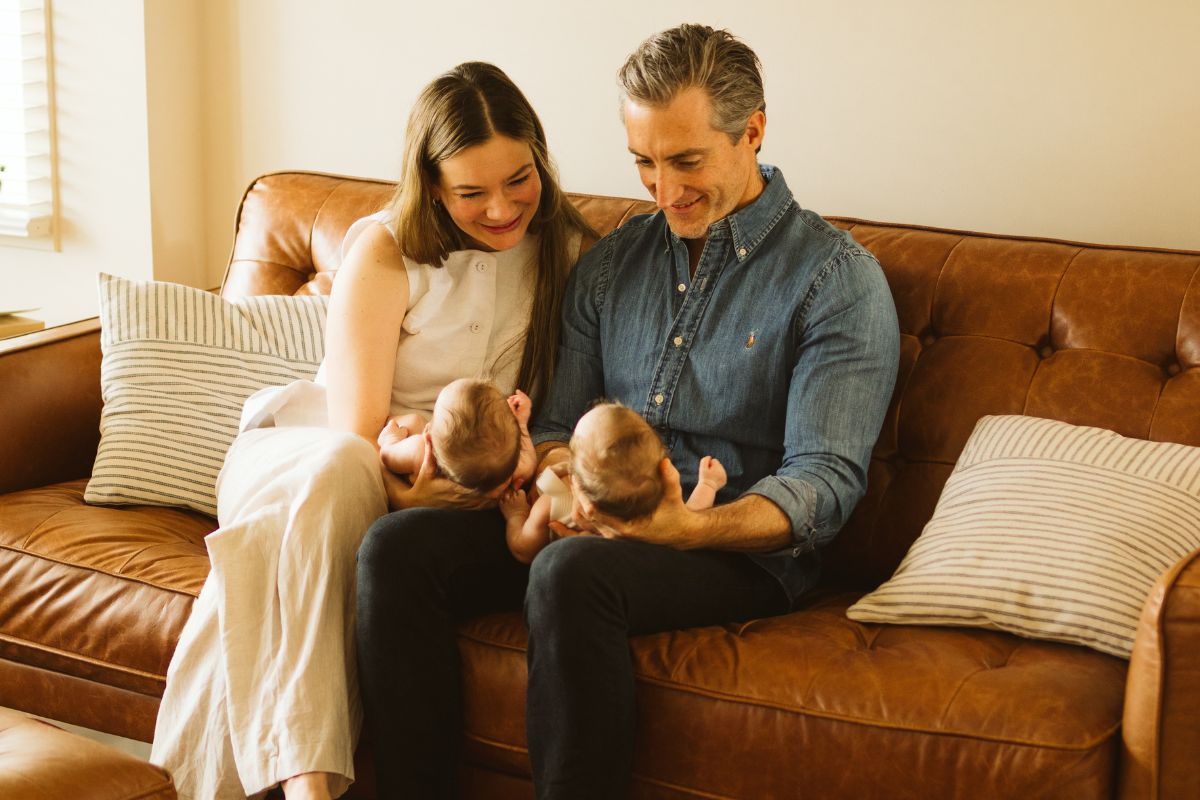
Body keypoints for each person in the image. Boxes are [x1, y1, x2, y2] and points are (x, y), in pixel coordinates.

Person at [356, 23, 900, 799]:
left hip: (731, 549)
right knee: (396, 547)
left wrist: (688, 527)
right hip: (588, 519)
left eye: (686, 161)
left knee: (576, 573)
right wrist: (551, 490)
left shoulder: (836, 281)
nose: (664, 189)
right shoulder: (611, 262)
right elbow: (555, 425)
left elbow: (825, 485)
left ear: (752, 133)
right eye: (644, 163)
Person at [149, 61, 591, 800]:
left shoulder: (563, 252)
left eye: (518, 179)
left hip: (399, 483)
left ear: (538, 159)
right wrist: (428, 502)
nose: (501, 208)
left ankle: (284, 781)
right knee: (339, 476)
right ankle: (310, 784)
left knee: (268, 568)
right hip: (307, 454)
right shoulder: (385, 250)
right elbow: (353, 440)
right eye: (471, 192)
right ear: (432, 185)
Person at [499, 401, 726, 562]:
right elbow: (692, 514)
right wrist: (707, 485)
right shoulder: (658, 512)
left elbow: (523, 549)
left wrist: (516, 515)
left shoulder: (553, 500)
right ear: (663, 468)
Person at [378, 379, 537, 498]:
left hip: (423, 500)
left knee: (413, 421)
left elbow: (387, 456)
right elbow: (529, 463)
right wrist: (521, 424)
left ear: (430, 438)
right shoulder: (504, 471)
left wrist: (390, 439)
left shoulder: (419, 451)